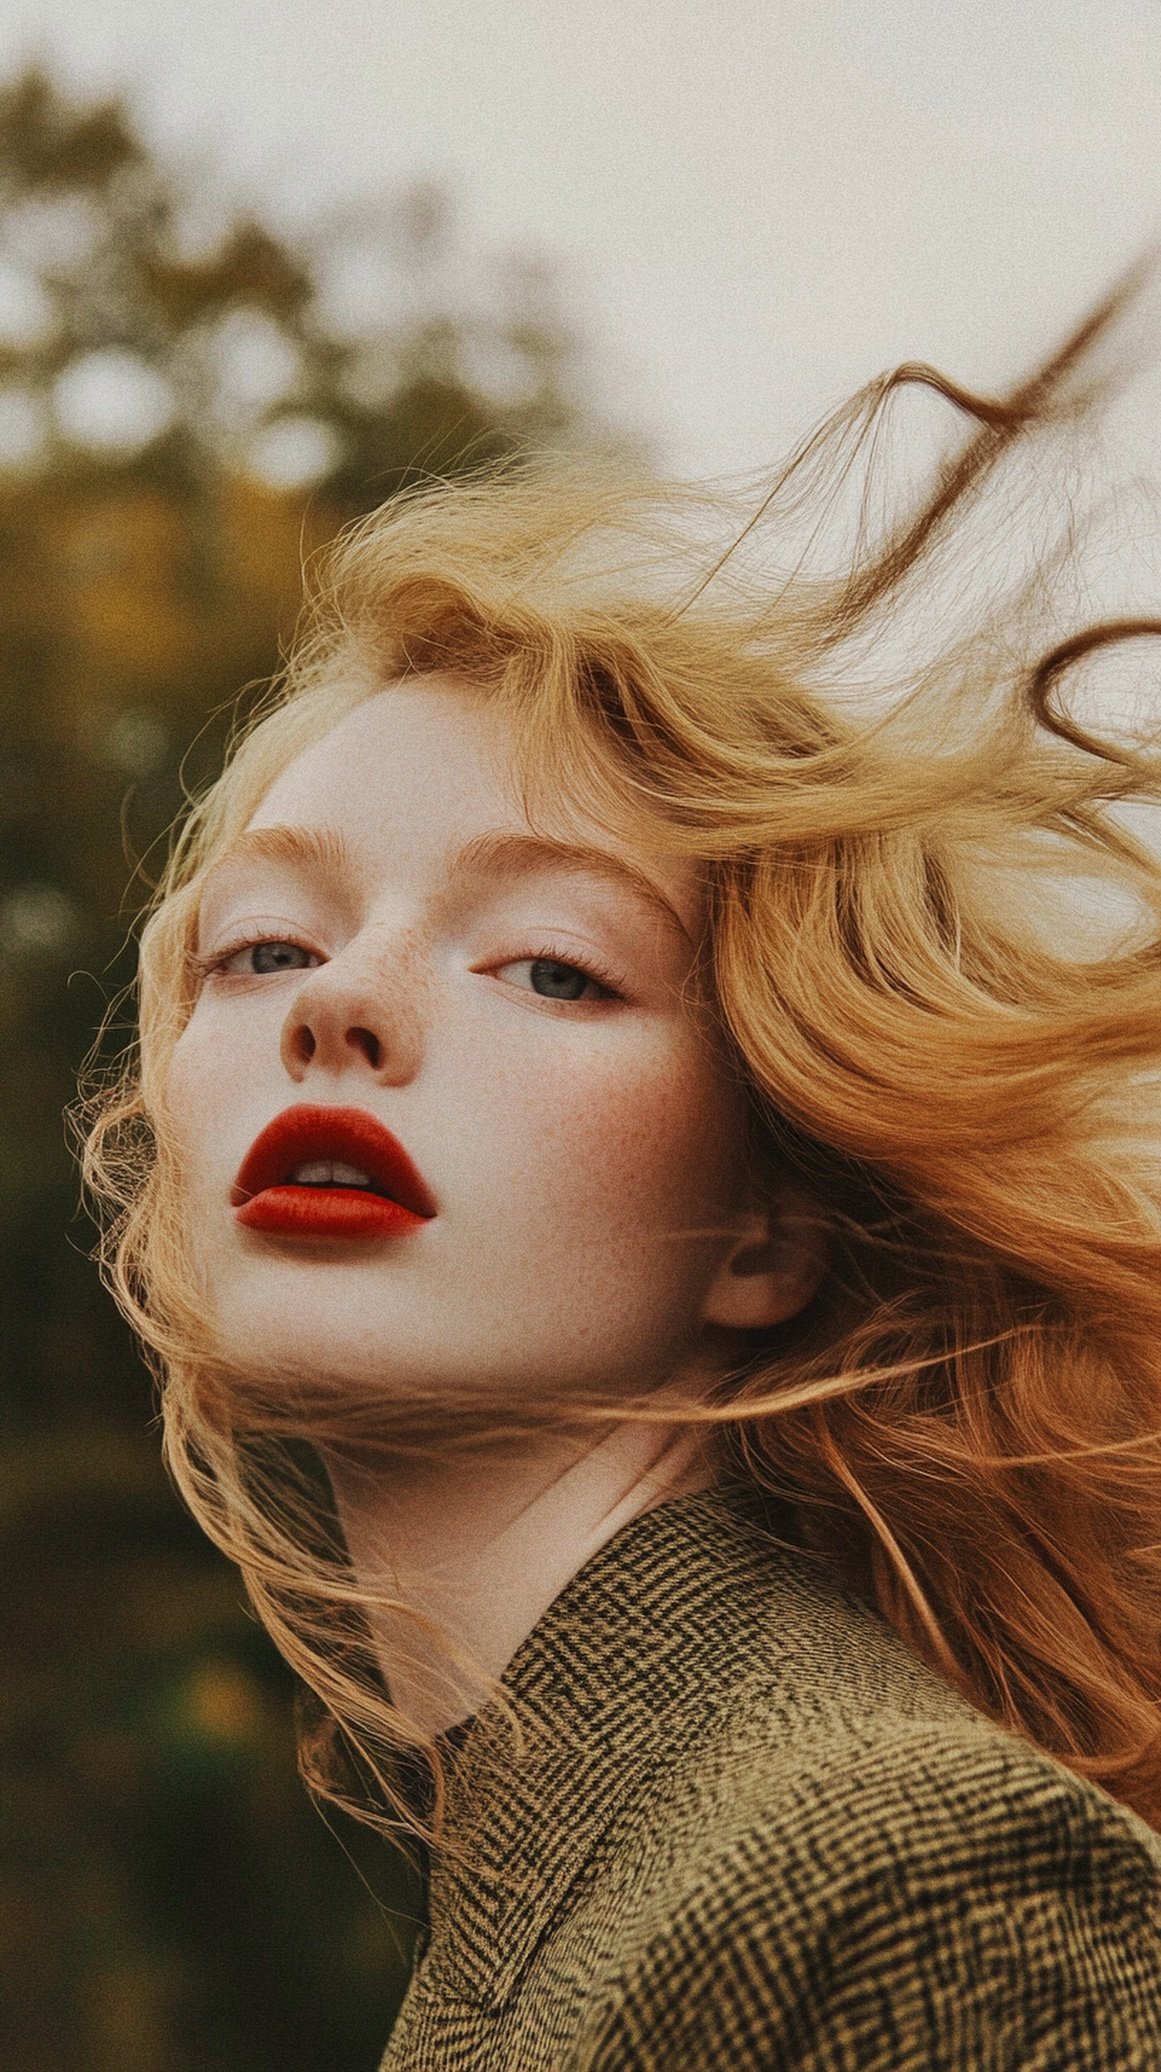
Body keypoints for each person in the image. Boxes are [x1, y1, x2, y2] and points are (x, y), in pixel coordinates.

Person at [85, 272, 1161, 2070]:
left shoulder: (912, 1876)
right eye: (267, 946)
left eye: (549, 965)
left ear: (769, 1225)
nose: (340, 1003)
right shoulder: (558, 1902)